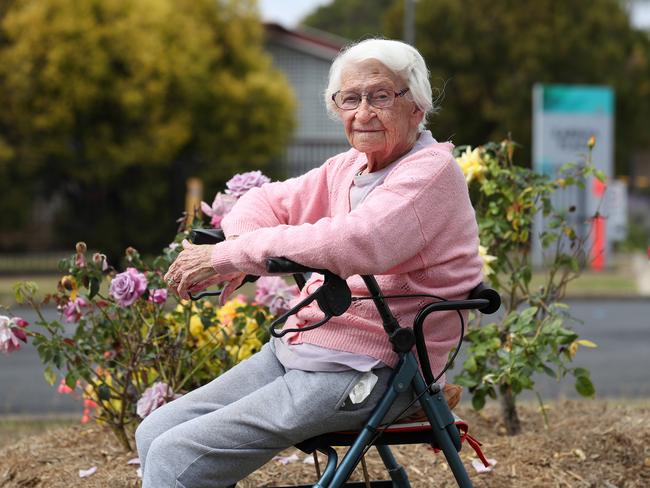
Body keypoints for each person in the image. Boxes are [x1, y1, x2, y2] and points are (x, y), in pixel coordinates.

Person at [136, 38, 483, 487]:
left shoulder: (429, 174)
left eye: (380, 96)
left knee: (175, 453)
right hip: (306, 346)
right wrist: (244, 252)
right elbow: (264, 200)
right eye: (350, 99)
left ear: (415, 105)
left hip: (376, 367)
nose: (362, 112)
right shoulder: (350, 167)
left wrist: (229, 254)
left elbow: (357, 242)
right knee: (155, 431)